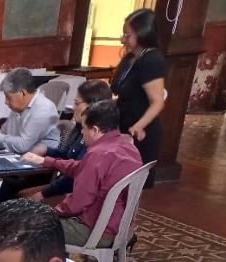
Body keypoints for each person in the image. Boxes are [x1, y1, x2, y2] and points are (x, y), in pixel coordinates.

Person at [22, 100, 142, 247]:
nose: (81, 132)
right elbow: (82, 167)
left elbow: (77, 204)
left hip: (95, 232)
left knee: (26, 224)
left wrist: (53, 212)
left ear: (95, 130)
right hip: (120, 228)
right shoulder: (128, 148)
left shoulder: (98, 154)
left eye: (84, 128)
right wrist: (47, 161)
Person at [19, 79, 113, 202]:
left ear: (93, 106)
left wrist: (44, 193)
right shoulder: (79, 126)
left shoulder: (95, 136)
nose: (73, 108)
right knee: (14, 186)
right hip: (62, 184)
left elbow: (76, 176)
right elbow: (67, 156)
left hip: (74, 194)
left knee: (18, 195)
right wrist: (46, 150)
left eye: (77, 103)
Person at [112, 7, 167, 187]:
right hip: (123, 125)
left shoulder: (152, 60)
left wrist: (138, 126)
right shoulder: (129, 58)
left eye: (127, 35)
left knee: (131, 186)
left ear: (143, 33)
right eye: (123, 34)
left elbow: (157, 102)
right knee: (115, 181)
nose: (123, 40)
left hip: (141, 131)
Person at [0, 68, 61, 155]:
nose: (6, 102)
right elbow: (4, 133)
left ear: (23, 93)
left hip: (42, 159)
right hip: (21, 155)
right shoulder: (19, 106)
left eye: (8, 97)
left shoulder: (44, 108)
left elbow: (23, 146)